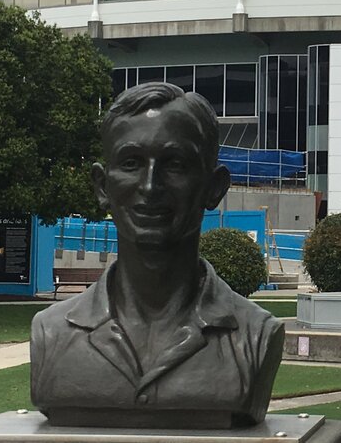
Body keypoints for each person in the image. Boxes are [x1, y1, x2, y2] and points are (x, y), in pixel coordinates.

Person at [30, 82, 284, 429]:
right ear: (103, 187)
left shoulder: (255, 336)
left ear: (214, 188)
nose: (150, 187)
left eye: (175, 164)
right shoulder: (51, 333)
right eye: (131, 162)